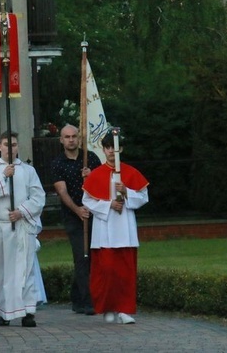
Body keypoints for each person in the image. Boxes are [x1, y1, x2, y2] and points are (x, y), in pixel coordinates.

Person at [0, 131, 45, 327]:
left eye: (14, 145)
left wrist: (22, 211)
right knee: (0, 271)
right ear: (0, 146)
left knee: (24, 269)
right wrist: (3, 176)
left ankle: (28, 311)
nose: (11, 148)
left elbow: (38, 197)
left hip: (21, 225)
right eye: (7, 144)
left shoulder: (28, 171)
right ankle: (5, 311)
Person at [82, 130, 149, 325]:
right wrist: (108, 204)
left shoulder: (130, 172)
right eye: (108, 147)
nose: (112, 151)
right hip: (105, 230)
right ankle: (108, 307)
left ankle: (125, 309)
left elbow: (144, 197)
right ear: (103, 150)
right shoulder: (96, 174)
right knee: (107, 271)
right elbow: (87, 199)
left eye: (115, 147)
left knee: (125, 272)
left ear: (121, 149)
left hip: (125, 228)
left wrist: (126, 192)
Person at [50, 124, 102, 315]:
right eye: (67, 137)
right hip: (73, 216)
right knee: (82, 257)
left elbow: (103, 184)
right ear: (61, 140)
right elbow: (62, 192)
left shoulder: (91, 158)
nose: (71, 140)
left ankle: (77, 298)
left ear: (79, 138)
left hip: (94, 214)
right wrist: (77, 210)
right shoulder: (57, 163)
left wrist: (92, 176)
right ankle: (87, 302)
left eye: (74, 136)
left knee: (93, 257)